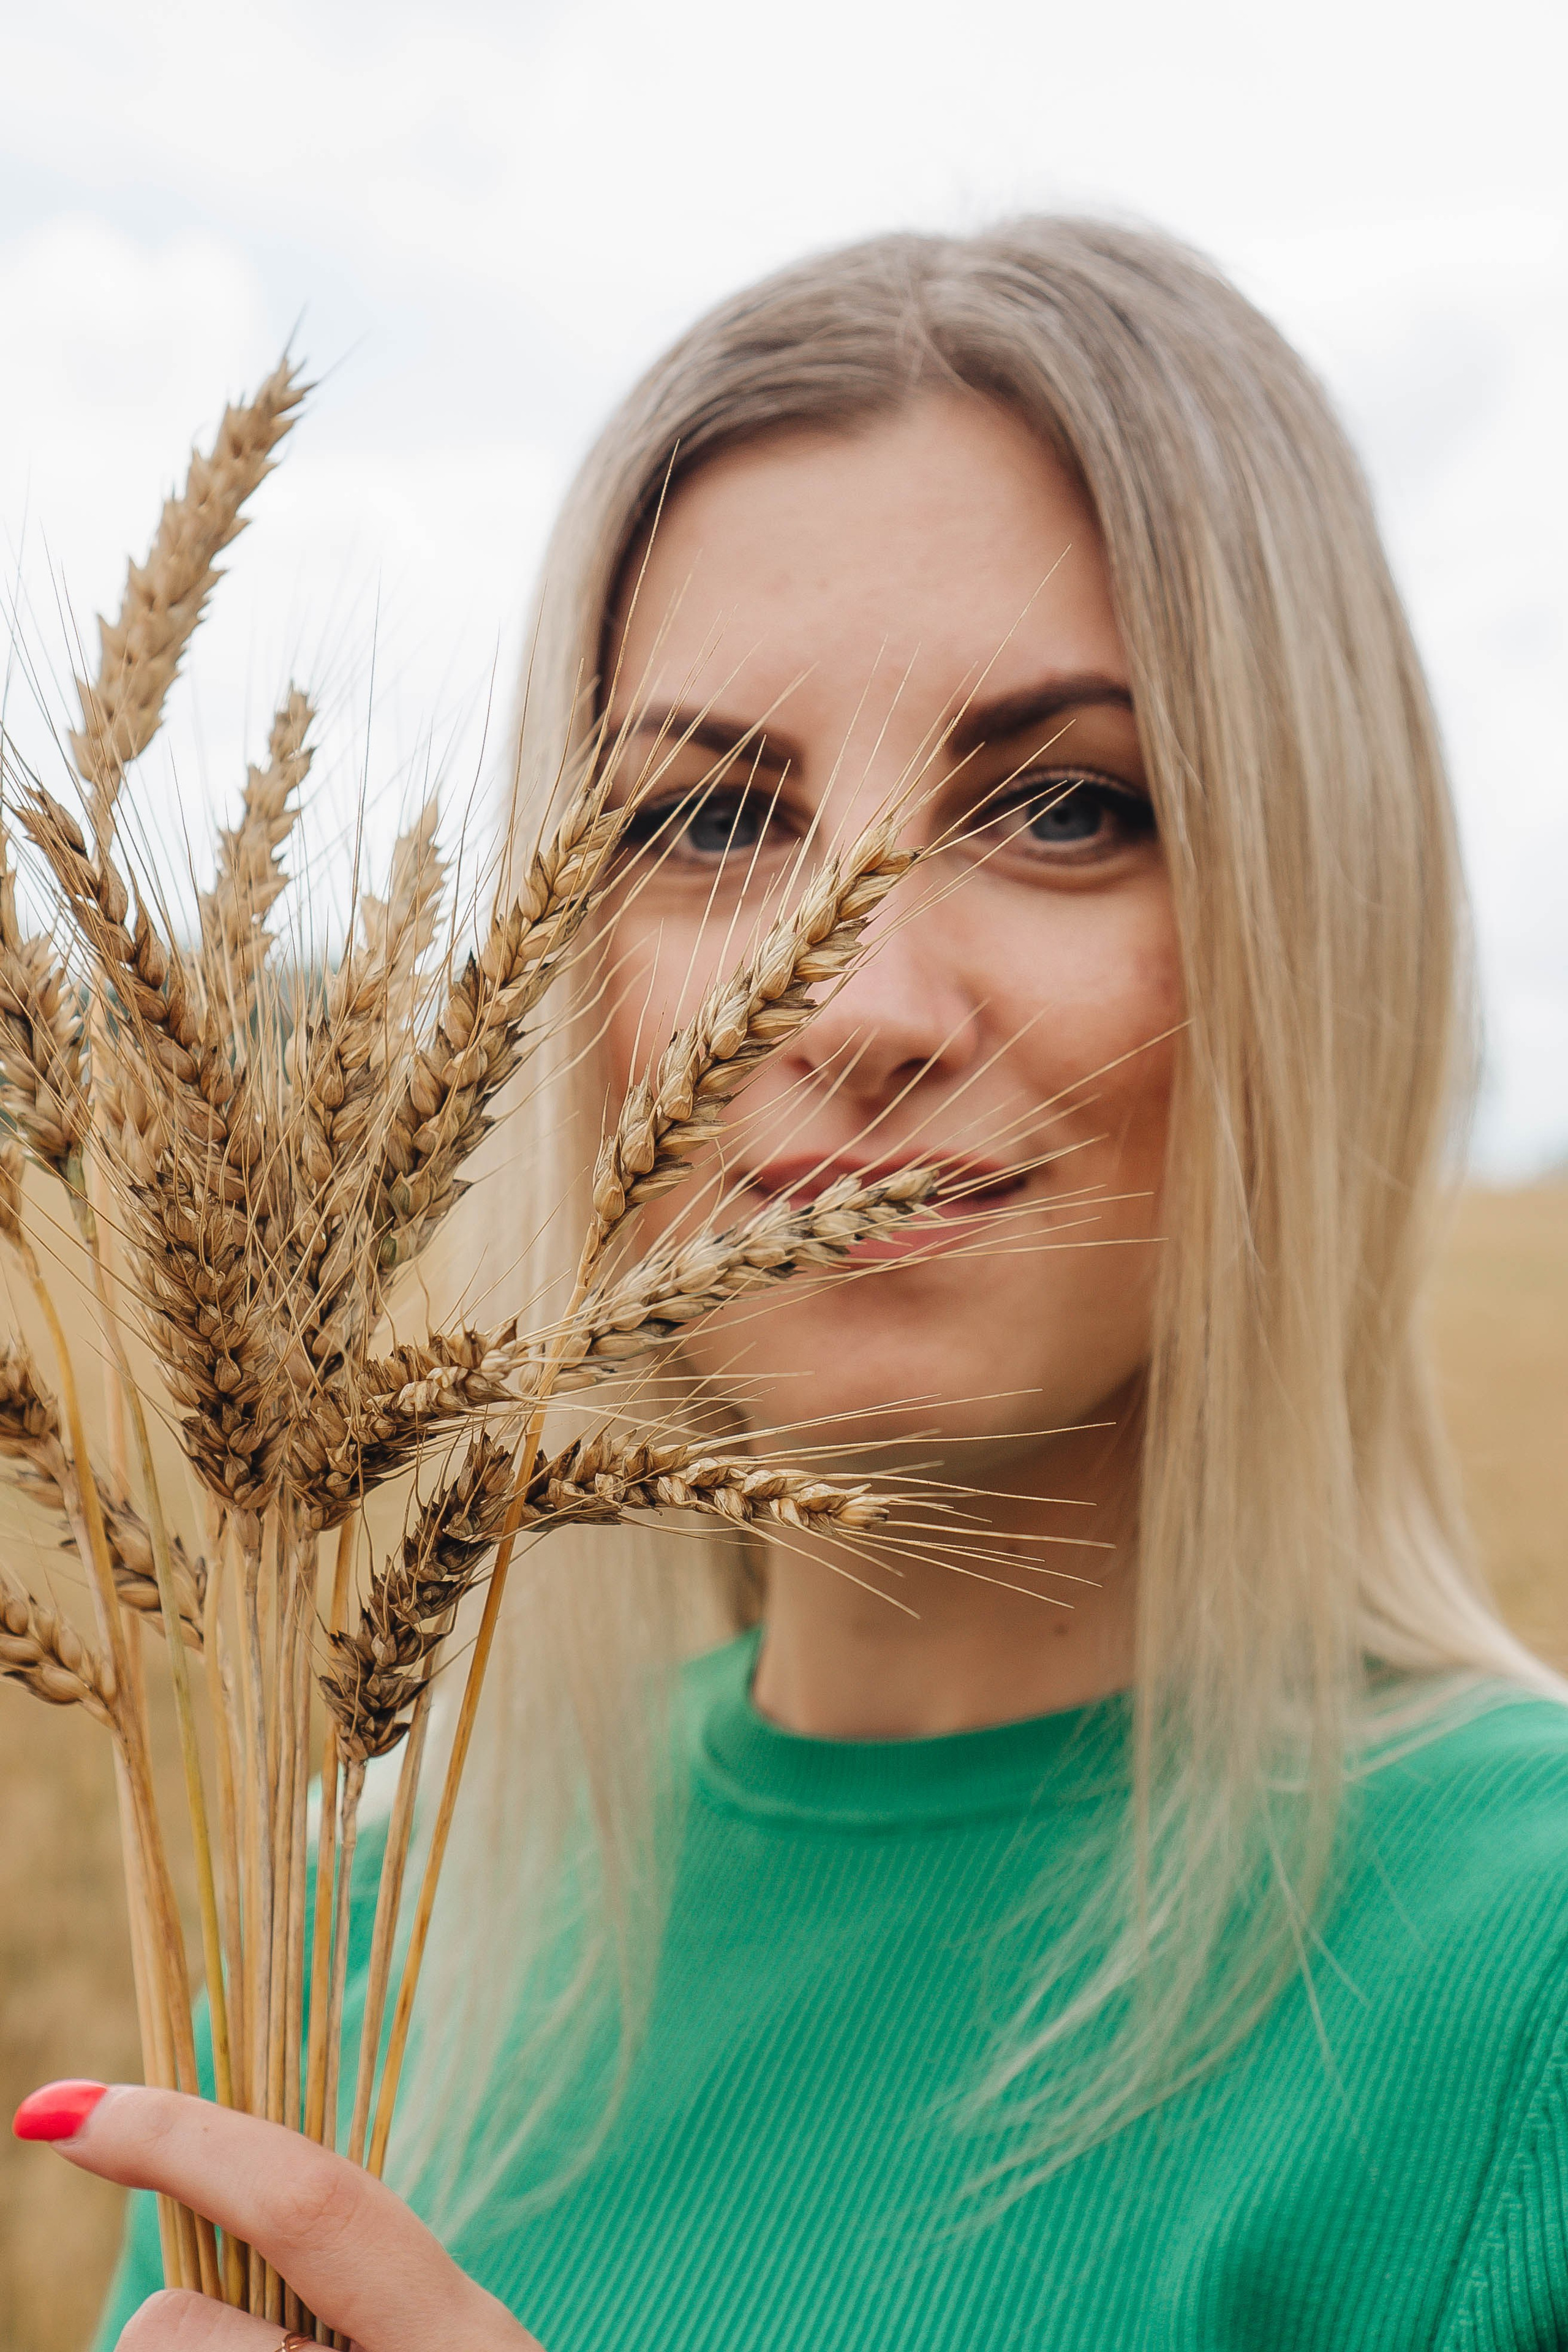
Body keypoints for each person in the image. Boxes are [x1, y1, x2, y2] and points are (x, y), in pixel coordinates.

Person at [20, 217, 1568, 2350]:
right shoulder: (341, 1939)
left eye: (1061, 804)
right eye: (707, 820)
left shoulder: (1528, 1984)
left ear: (1321, 921)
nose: (843, 1003)